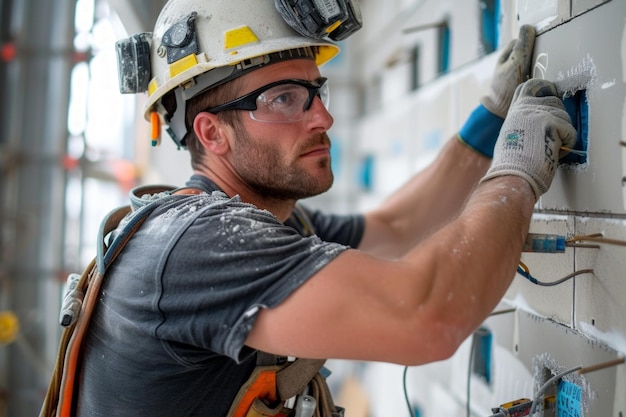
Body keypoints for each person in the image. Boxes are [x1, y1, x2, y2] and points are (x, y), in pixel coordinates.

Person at [76, 0, 576, 416]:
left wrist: (487, 127)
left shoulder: (269, 221)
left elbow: (395, 226)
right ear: (212, 133)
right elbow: (427, 317)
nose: (324, 117)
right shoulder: (199, 246)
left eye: (316, 91)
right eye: (284, 99)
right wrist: (516, 172)